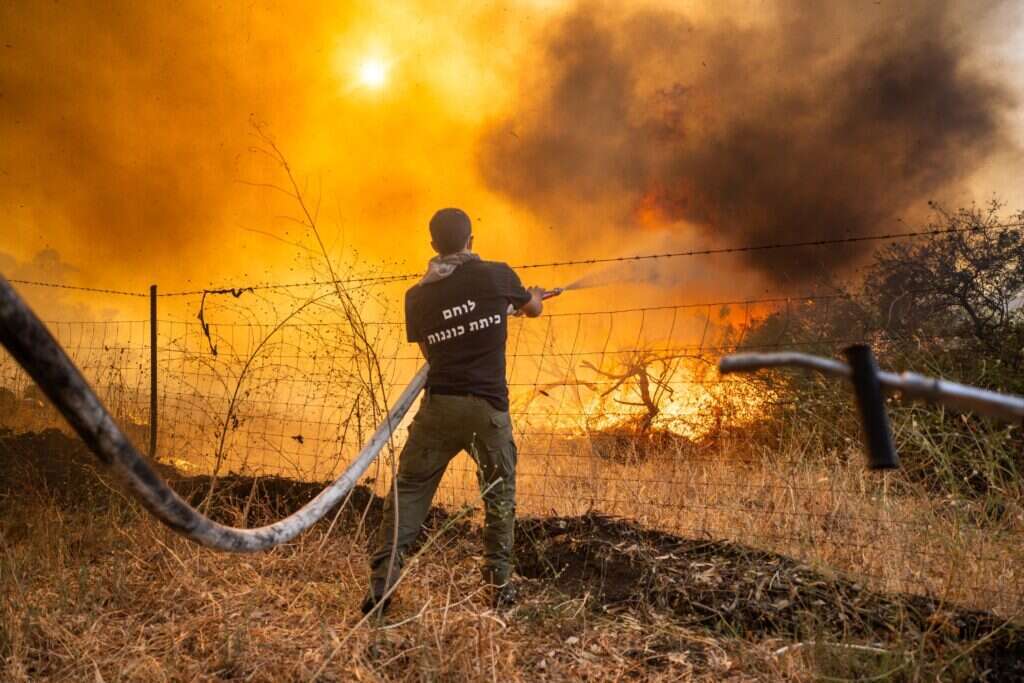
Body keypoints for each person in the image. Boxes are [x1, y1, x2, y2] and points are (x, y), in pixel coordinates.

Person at [363, 207, 544, 614]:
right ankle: (499, 589)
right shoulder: (497, 276)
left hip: (439, 408)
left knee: (408, 492)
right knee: (499, 496)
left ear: (432, 246)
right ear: (471, 241)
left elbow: (431, 352)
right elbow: (532, 308)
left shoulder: (418, 296)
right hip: (489, 412)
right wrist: (533, 295)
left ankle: (382, 586)